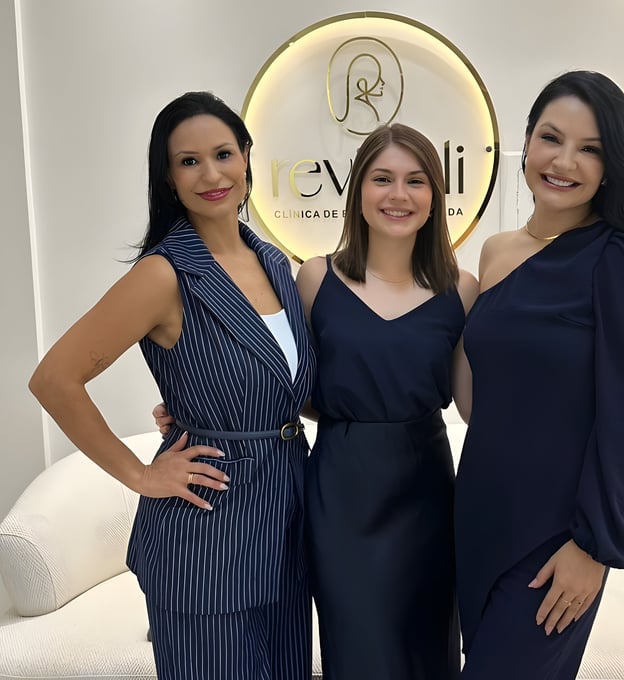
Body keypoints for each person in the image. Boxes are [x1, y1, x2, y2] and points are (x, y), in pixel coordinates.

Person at [29, 91, 316, 679]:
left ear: (246, 157)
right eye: (189, 161)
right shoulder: (163, 273)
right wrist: (141, 474)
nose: (211, 174)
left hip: (287, 526)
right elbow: (54, 380)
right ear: (168, 177)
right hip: (206, 536)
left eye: (223, 154)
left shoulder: (274, 263)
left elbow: (283, 387)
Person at [452, 70, 624, 679]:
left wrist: (592, 547)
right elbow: (479, 403)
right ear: (527, 141)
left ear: (612, 166)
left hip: (558, 537)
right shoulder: (496, 252)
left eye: (590, 149)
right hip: (480, 512)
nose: (564, 161)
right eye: (551, 138)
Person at [296, 123, 477, 680]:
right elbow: (294, 389)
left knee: (427, 649)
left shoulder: (463, 289)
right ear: (357, 191)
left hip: (426, 492)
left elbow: (473, 406)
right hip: (341, 492)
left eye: (416, 181)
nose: (399, 194)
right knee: (358, 650)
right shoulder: (315, 278)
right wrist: (195, 410)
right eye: (382, 179)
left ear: (434, 198)